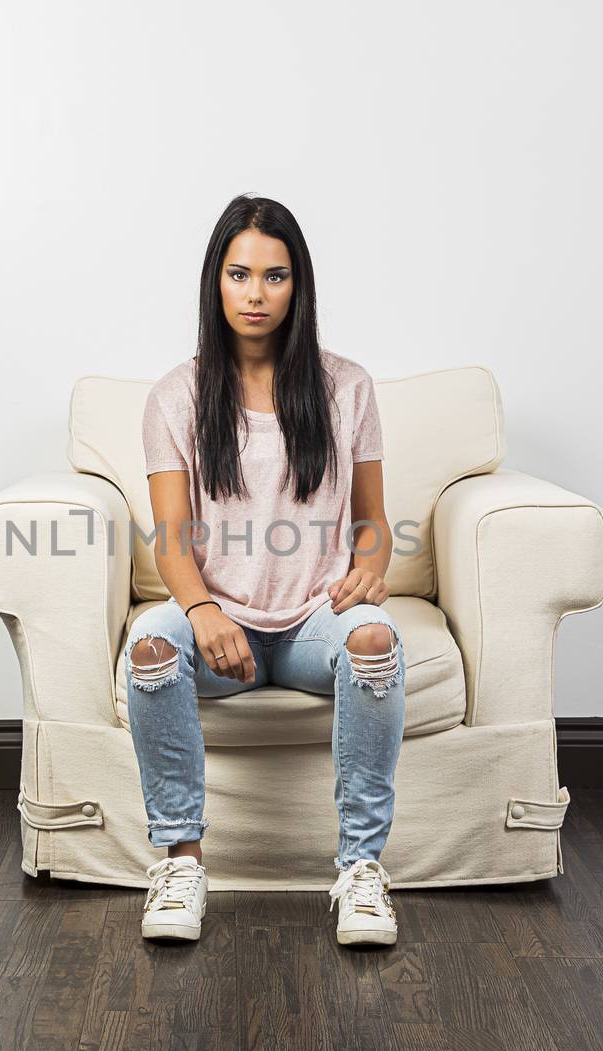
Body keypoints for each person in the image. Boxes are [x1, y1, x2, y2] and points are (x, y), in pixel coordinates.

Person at [126, 194, 405, 947]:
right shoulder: (176, 396)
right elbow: (171, 541)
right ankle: (181, 861)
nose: (256, 294)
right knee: (150, 646)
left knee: (376, 641)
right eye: (240, 274)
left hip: (317, 622)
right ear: (216, 282)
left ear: (298, 285)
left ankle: (359, 872)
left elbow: (373, 524)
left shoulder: (347, 387)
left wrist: (370, 570)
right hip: (223, 628)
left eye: (275, 276)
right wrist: (202, 611)